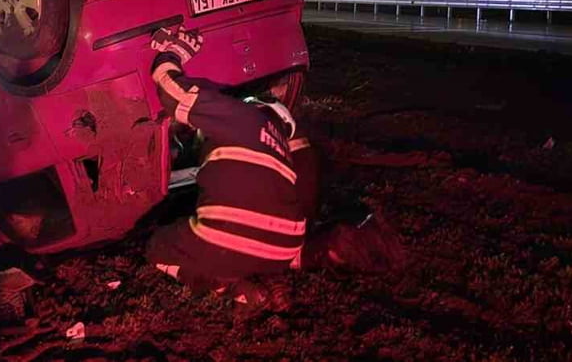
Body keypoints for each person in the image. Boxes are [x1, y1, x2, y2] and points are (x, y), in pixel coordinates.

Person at [144, 26, 405, 307]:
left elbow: (169, 86)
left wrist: (174, 52)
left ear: (255, 103)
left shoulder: (241, 116)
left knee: (156, 248)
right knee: (229, 244)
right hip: (284, 249)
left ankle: (223, 284)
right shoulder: (281, 145)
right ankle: (246, 278)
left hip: (236, 239)